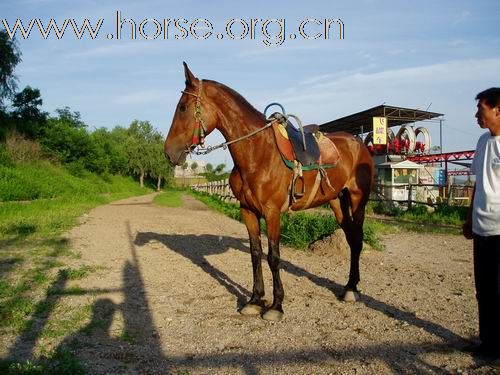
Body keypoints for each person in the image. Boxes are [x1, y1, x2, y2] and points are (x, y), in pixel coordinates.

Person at [463, 87, 500, 360]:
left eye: (482, 110)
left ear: (498, 110)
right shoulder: (482, 141)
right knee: (484, 290)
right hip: (481, 228)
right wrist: (468, 217)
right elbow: (475, 183)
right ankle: (488, 342)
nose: (477, 115)